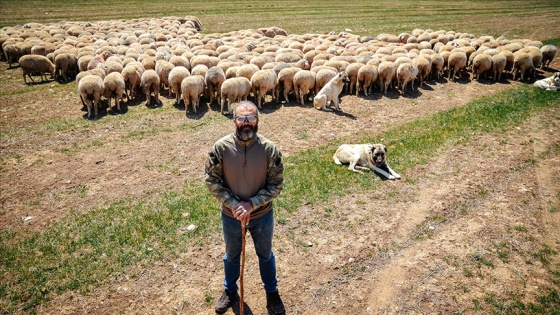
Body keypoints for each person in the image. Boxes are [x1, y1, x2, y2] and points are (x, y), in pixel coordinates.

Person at [204, 101, 285, 315]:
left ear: (257, 120)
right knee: (231, 255)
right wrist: (234, 205)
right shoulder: (220, 148)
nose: (246, 122)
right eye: (242, 118)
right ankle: (230, 291)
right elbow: (211, 180)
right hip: (231, 216)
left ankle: (272, 293)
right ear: (234, 121)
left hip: (262, 215)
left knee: (265, 254)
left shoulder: (270, 149)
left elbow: (276, 185)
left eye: (251, 118)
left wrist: (252, 204)